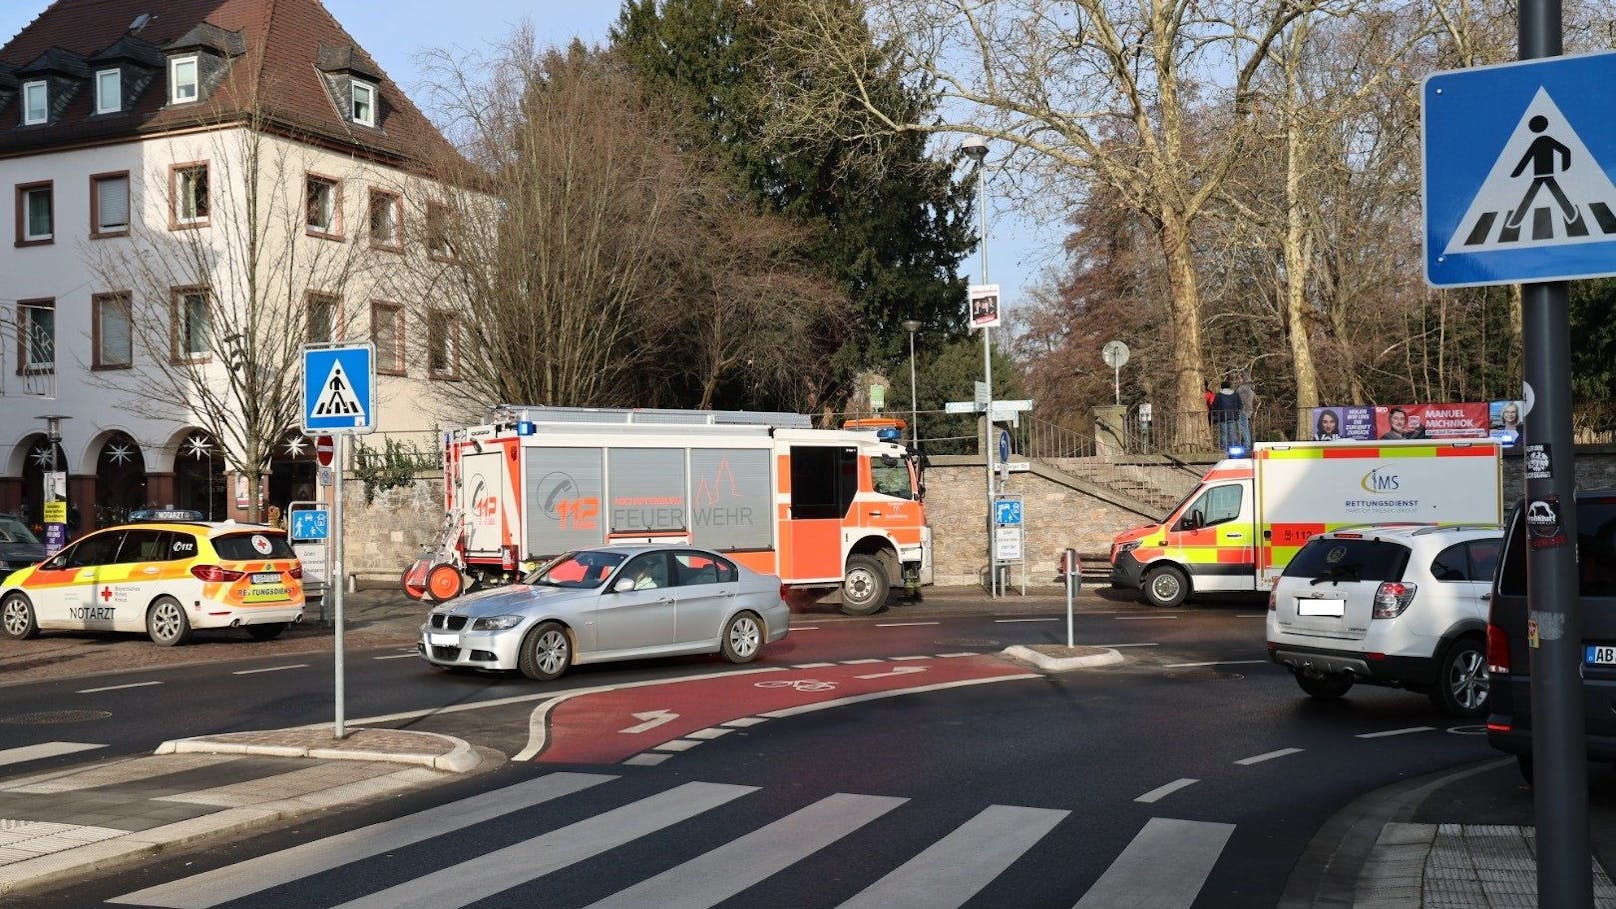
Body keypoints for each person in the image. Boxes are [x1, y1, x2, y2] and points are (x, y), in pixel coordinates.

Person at [1211, 382, 1242, 448]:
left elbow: (1214, 406)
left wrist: (1214, 414)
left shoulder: (1219, 395)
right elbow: (1240, 405)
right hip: (1233, 415)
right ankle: (1234, 446)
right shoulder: (1235, 394)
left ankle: (1224, 447)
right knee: (1232, 432)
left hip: (1222, 416)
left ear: (1222, 387)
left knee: (1223, 433)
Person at [1235, 372, 1257, 447]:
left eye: (1239, 378)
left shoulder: (1243, 388)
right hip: (1248, 409)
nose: (1238, 380)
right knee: (1245, 427)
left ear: (1243, 378)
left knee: (1243, 427)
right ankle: (1248, 443)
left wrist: (1237, 407)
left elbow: (1240, 400)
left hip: (1243, 410)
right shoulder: (1250, 387)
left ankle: (1247, 444)